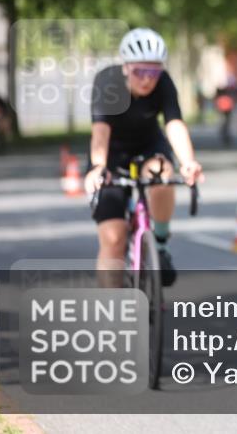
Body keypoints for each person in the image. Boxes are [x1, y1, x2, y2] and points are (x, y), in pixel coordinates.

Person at [84, 28, 203, 287]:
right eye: (140, 72)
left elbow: (174, 124)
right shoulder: (108, 83)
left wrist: (188, 162)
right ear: (126, 67)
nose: (147, 80)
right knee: (113, 239)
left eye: (154, 72)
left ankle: (159, 244)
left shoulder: (164, 83)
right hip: (111, 155)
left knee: (162, 173)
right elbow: (101, 131)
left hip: (148, 146)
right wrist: (98, 167)